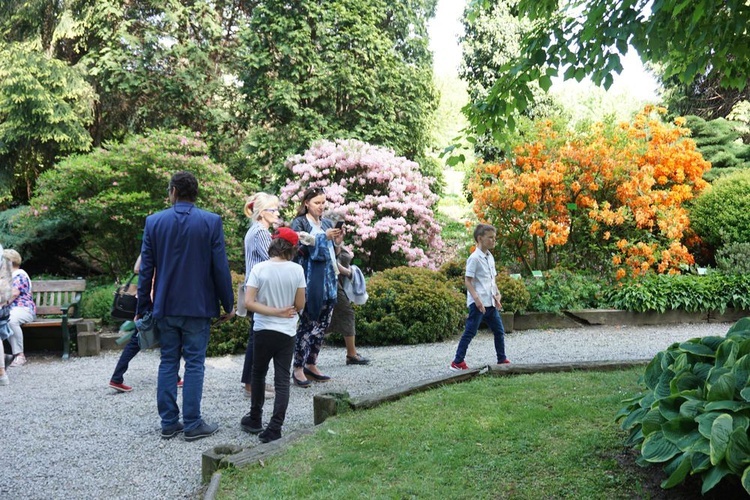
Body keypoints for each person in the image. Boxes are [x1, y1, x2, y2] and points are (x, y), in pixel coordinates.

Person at [137, 171, 235, 441]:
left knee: (168, 361)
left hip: (166, 305)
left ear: (173, 192)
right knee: (194, 364)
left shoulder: (154, 222)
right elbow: (220, 267)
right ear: (195, 193)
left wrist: (142, 306)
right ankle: (192, 423)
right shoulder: (211, 221)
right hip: (199, 305)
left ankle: (169, 422)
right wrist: (228, 302)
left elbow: (146, 270)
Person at [240, 227, 306, 443]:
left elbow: (248, 302)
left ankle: (255, 418)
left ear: (273, 244)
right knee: (281, 380)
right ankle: (275, 427)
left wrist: (272, 310)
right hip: (286, 332)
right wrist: (282, 311)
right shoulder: (297, 270)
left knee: (258, 374)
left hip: (262, 329)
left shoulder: (259, 268)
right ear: (293, 248)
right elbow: (300, 304)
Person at [290, 187, 341, 387]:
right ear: (306, 203)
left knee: (323, 324)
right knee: (308, 323)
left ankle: (312, 363)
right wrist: (323, 237)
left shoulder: (327, 223)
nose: (321, 206)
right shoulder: (300, 222)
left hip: (329, 278)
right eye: (317, 203)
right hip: (310, 280)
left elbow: (333, 252)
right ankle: (298, 367)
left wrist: (336, 241)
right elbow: (299, 245)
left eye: (323, 202)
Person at [108, 255, 183, 393]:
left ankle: (117, 377)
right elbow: (137, 269)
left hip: (152, 300)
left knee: (161, 340)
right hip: (157, 301)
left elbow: (137, 268)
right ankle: (116, 378)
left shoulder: (157, 244)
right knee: (162, 339)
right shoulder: (163, 245)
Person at [449, 224, 510, 371]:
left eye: (494, 238)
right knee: (470, 332)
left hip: (490, 303)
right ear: (480, 238)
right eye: (490, 238)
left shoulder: (490, 257)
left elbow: (491, 280)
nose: (493, 241)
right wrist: (477, 300)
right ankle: (457, 362)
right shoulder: (474, 258)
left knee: (499, 331)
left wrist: (497, 294)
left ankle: (502, 359)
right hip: (478, 305)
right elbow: (468, 281)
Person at [240, 192, 280, 401]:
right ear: (262, 212)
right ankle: (251, 384)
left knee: (257, 337)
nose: (277, 213)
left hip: (254, 289)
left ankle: (253, 381)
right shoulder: (261, 233)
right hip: (260, 292)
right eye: (273, 210)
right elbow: (274, 259)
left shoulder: (255, 230)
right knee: (259, 339)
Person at [327, 243, 369, 365]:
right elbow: (332, 261)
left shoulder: (338, 245)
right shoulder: (327, 242)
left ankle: (307, 355)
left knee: (326, 319)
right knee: (347, 313)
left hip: (338, 284)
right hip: (332, 284)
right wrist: (348, 272)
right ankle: (351, 354)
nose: (342, 230)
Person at [3, 249, 36, 367]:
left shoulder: (19, 275)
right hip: (10, 309)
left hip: (23, 309)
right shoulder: (6, 276)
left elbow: (14, 293)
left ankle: (19, 355)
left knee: (10, 320)